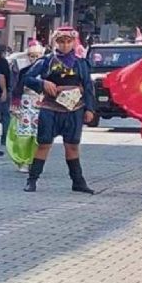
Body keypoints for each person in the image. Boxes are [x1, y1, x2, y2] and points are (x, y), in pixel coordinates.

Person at [22, 26, 96, 194]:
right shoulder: (46, 61)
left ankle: (78, 181)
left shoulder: (80, 63)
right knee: (44, 144)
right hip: (50, 107)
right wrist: (42, 83)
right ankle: (32, 180)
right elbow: (27, 78)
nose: (64, 45)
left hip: (74, 109)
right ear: (55, 42)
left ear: (74, 42)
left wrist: (90, 109)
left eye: (68, 41)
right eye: (61, 41)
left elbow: (88, 87)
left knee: (72, 146)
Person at [6, 39, 45, 172]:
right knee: (24, 134)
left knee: (39, 135)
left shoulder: (47, 72)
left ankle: (35, 160)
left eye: (37, 56)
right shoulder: (24, 71)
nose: (34, 59)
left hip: (41, 106)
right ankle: (22, 160)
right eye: (31, 56)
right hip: (26, 105)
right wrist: (15, 104)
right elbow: (17, 88)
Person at [0, 46, 12, 146]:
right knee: (5, 116)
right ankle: (4, 138)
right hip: (2, 91)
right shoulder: (2, 62)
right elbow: (3, 76)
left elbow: (2, 76)